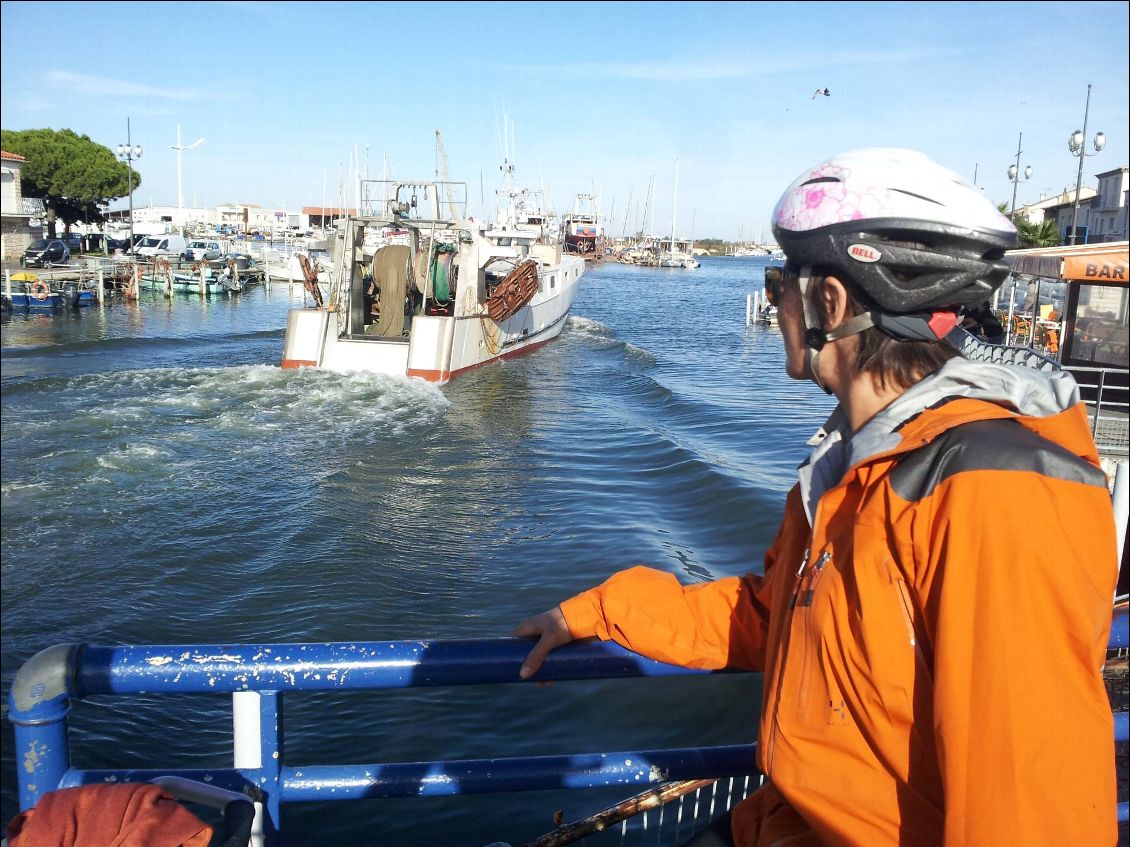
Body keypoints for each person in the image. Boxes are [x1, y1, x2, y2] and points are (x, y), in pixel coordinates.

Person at [512, 149, 1118, 847]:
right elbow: (774, 615)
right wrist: (597, 611)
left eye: (778, 286)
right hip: (783, 823)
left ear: (829, 302)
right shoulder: (854, 461)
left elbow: (1032, 805)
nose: (773, 306)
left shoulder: (992, 493)